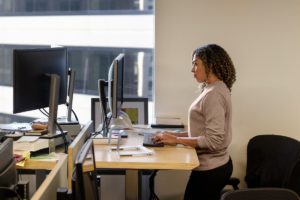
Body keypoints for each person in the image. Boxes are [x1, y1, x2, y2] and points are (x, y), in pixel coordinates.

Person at [153, 44, 236, 200]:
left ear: (210, 65)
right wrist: (171, 135)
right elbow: (201, 132)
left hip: (212, 168)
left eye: (195, 63)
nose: (192, 69)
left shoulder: (214, 95)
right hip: (215, 165)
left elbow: (214, 140)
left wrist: (177, 140)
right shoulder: (214, 88)